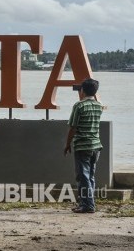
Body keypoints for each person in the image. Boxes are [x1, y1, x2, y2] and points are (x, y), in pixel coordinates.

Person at [64, 78, 103, 213]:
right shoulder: (99, 106)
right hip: (96, 146)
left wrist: (67, 144)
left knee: (83, 176)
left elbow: (73, 127)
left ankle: (87, 205)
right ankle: (88, 203)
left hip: (82, 145)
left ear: (83, 90)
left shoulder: (79, 106)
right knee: (90, 176)